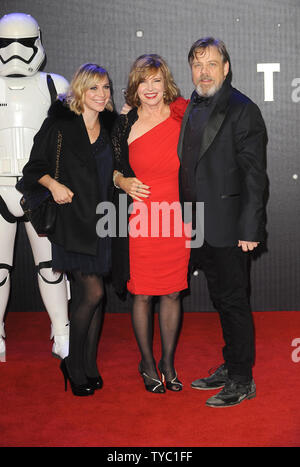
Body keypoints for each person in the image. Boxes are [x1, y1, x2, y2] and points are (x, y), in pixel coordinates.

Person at [178, 37, 268, 407]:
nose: (204, 71)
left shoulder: (242, 108)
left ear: (226, 67)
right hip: (200, 226)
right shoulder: (192, 107)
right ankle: (231, 366)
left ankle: (243, 379)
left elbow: (254, 176)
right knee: (221, 299)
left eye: (212, 64)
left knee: (234, 302)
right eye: (198, 65)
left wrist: (250, 228)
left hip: (230, 227)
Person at [22, 63, 117, 396]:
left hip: (104, 221)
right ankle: (73, 365)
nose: (102, 95)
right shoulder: (60, 124)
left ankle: (89, 364)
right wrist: (53, 184)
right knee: (92, 293)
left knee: (96, 299)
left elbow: (118, 170)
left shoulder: (110, 124)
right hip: (72, 221)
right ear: (79, 91)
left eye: (106, 88)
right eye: (94, 88)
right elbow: (32, 169)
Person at [112, 54, 190, 394]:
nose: (150, 88)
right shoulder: (123, 124)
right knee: (142, 295)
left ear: (165, 84)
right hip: (140, 220)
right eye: (144, 81)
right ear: (135, 86)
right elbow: (109, 168)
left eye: (156, 81)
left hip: (175, 218)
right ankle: (146, 362)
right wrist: (122, 181)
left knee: (173, 291)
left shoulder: (181, 116)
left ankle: (168, 363)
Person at [0, 12, 69, 362]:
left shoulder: (54, 86)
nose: (14, 52)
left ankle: (62, 330)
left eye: (23, 44)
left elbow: (76, 137)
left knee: (52, 268)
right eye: (5, 44)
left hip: (40, 189)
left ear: (37, 41)